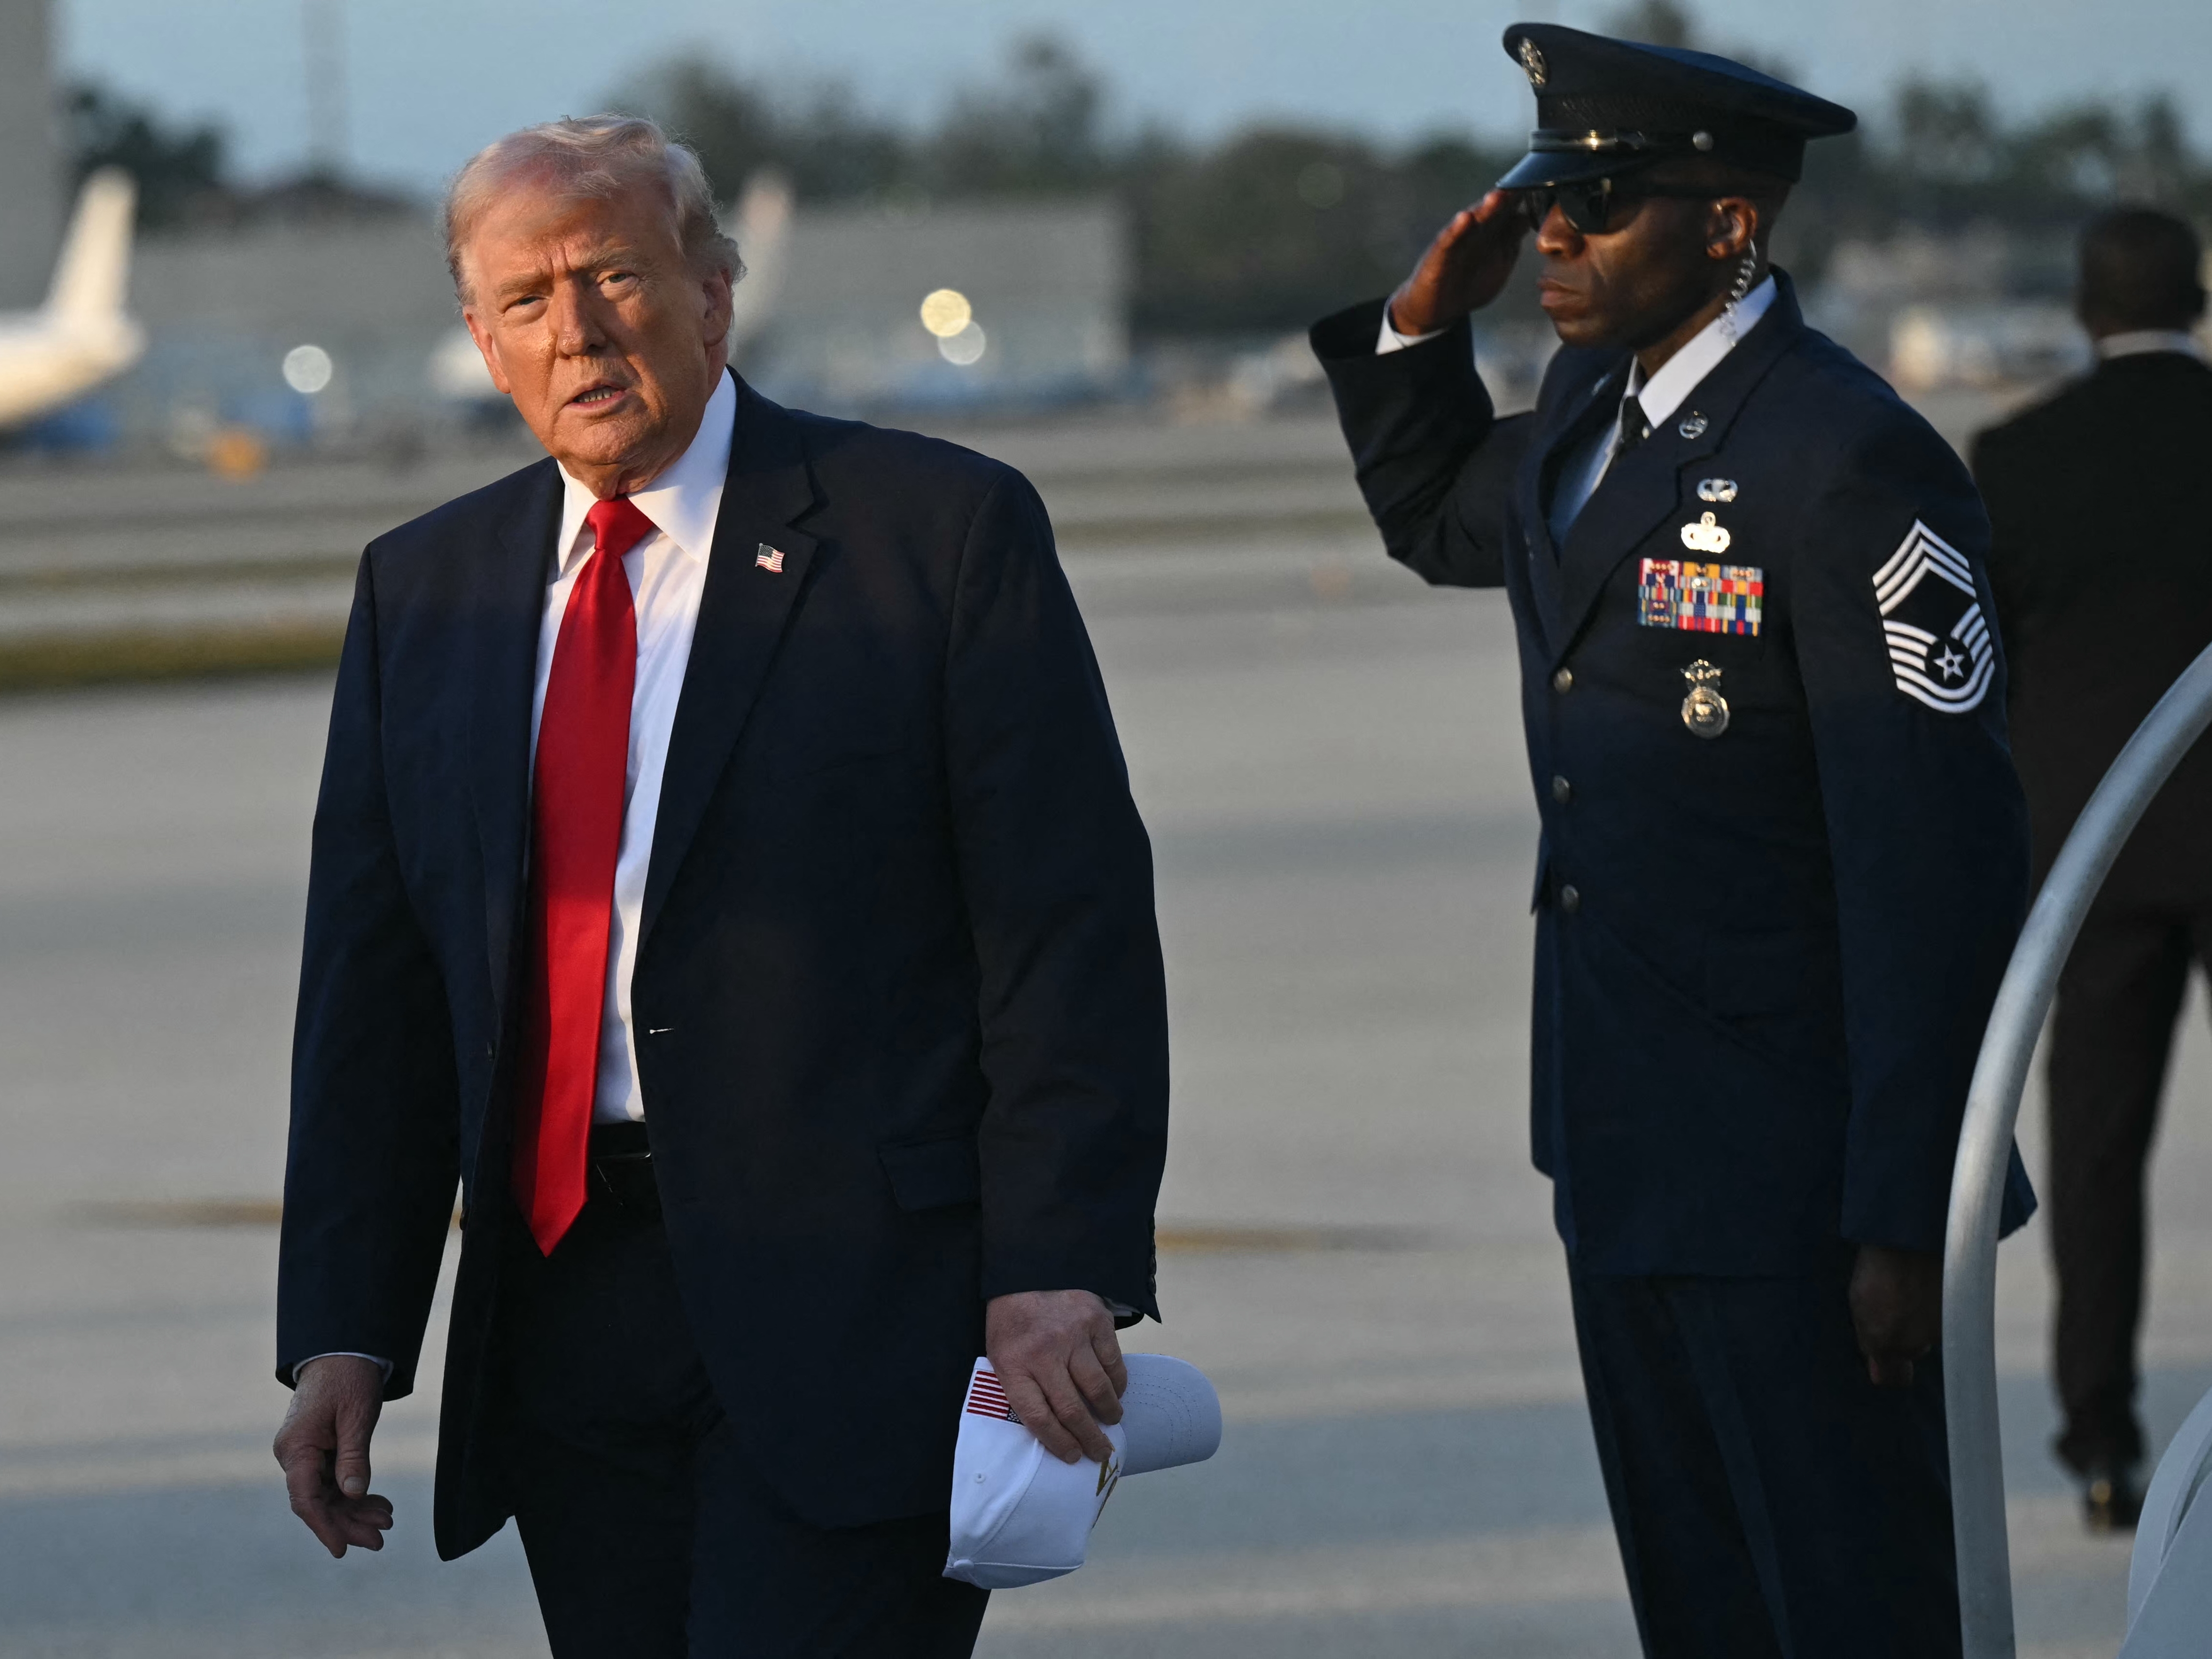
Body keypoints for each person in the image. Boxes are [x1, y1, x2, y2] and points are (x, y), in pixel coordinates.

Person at [269, 115, 1169, 1658]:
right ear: (483, 342)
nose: (580, 328)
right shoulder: (427, 589)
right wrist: (348, 1327)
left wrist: (1055, 1267)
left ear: (713, 294)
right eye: (530, 299)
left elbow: (1063, 929)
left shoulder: (932, 536)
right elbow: (379, 989)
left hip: (856, 1301)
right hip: (562, 1309)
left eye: (614, 274)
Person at [1310, 24, 2035, 1659]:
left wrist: (1909, 1209)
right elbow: (1442, 522)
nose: (1552, 238)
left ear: (1729, 227)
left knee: (1847, 1607)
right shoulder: (1589, 407)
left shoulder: (1841, 460)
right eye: (1544, 201)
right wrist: (1421, 327)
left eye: (1600, 205)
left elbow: (1937, 862)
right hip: (1623, 1134)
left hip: (1798, 1179)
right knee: (1699, 1606)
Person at [1972, 207, 2212, 1532]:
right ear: (2195, 296)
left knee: (2096, 1151)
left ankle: (2102, 1443)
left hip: (2097, 848)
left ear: (2078, 308)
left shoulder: (2017, 457)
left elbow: (1978, 664)